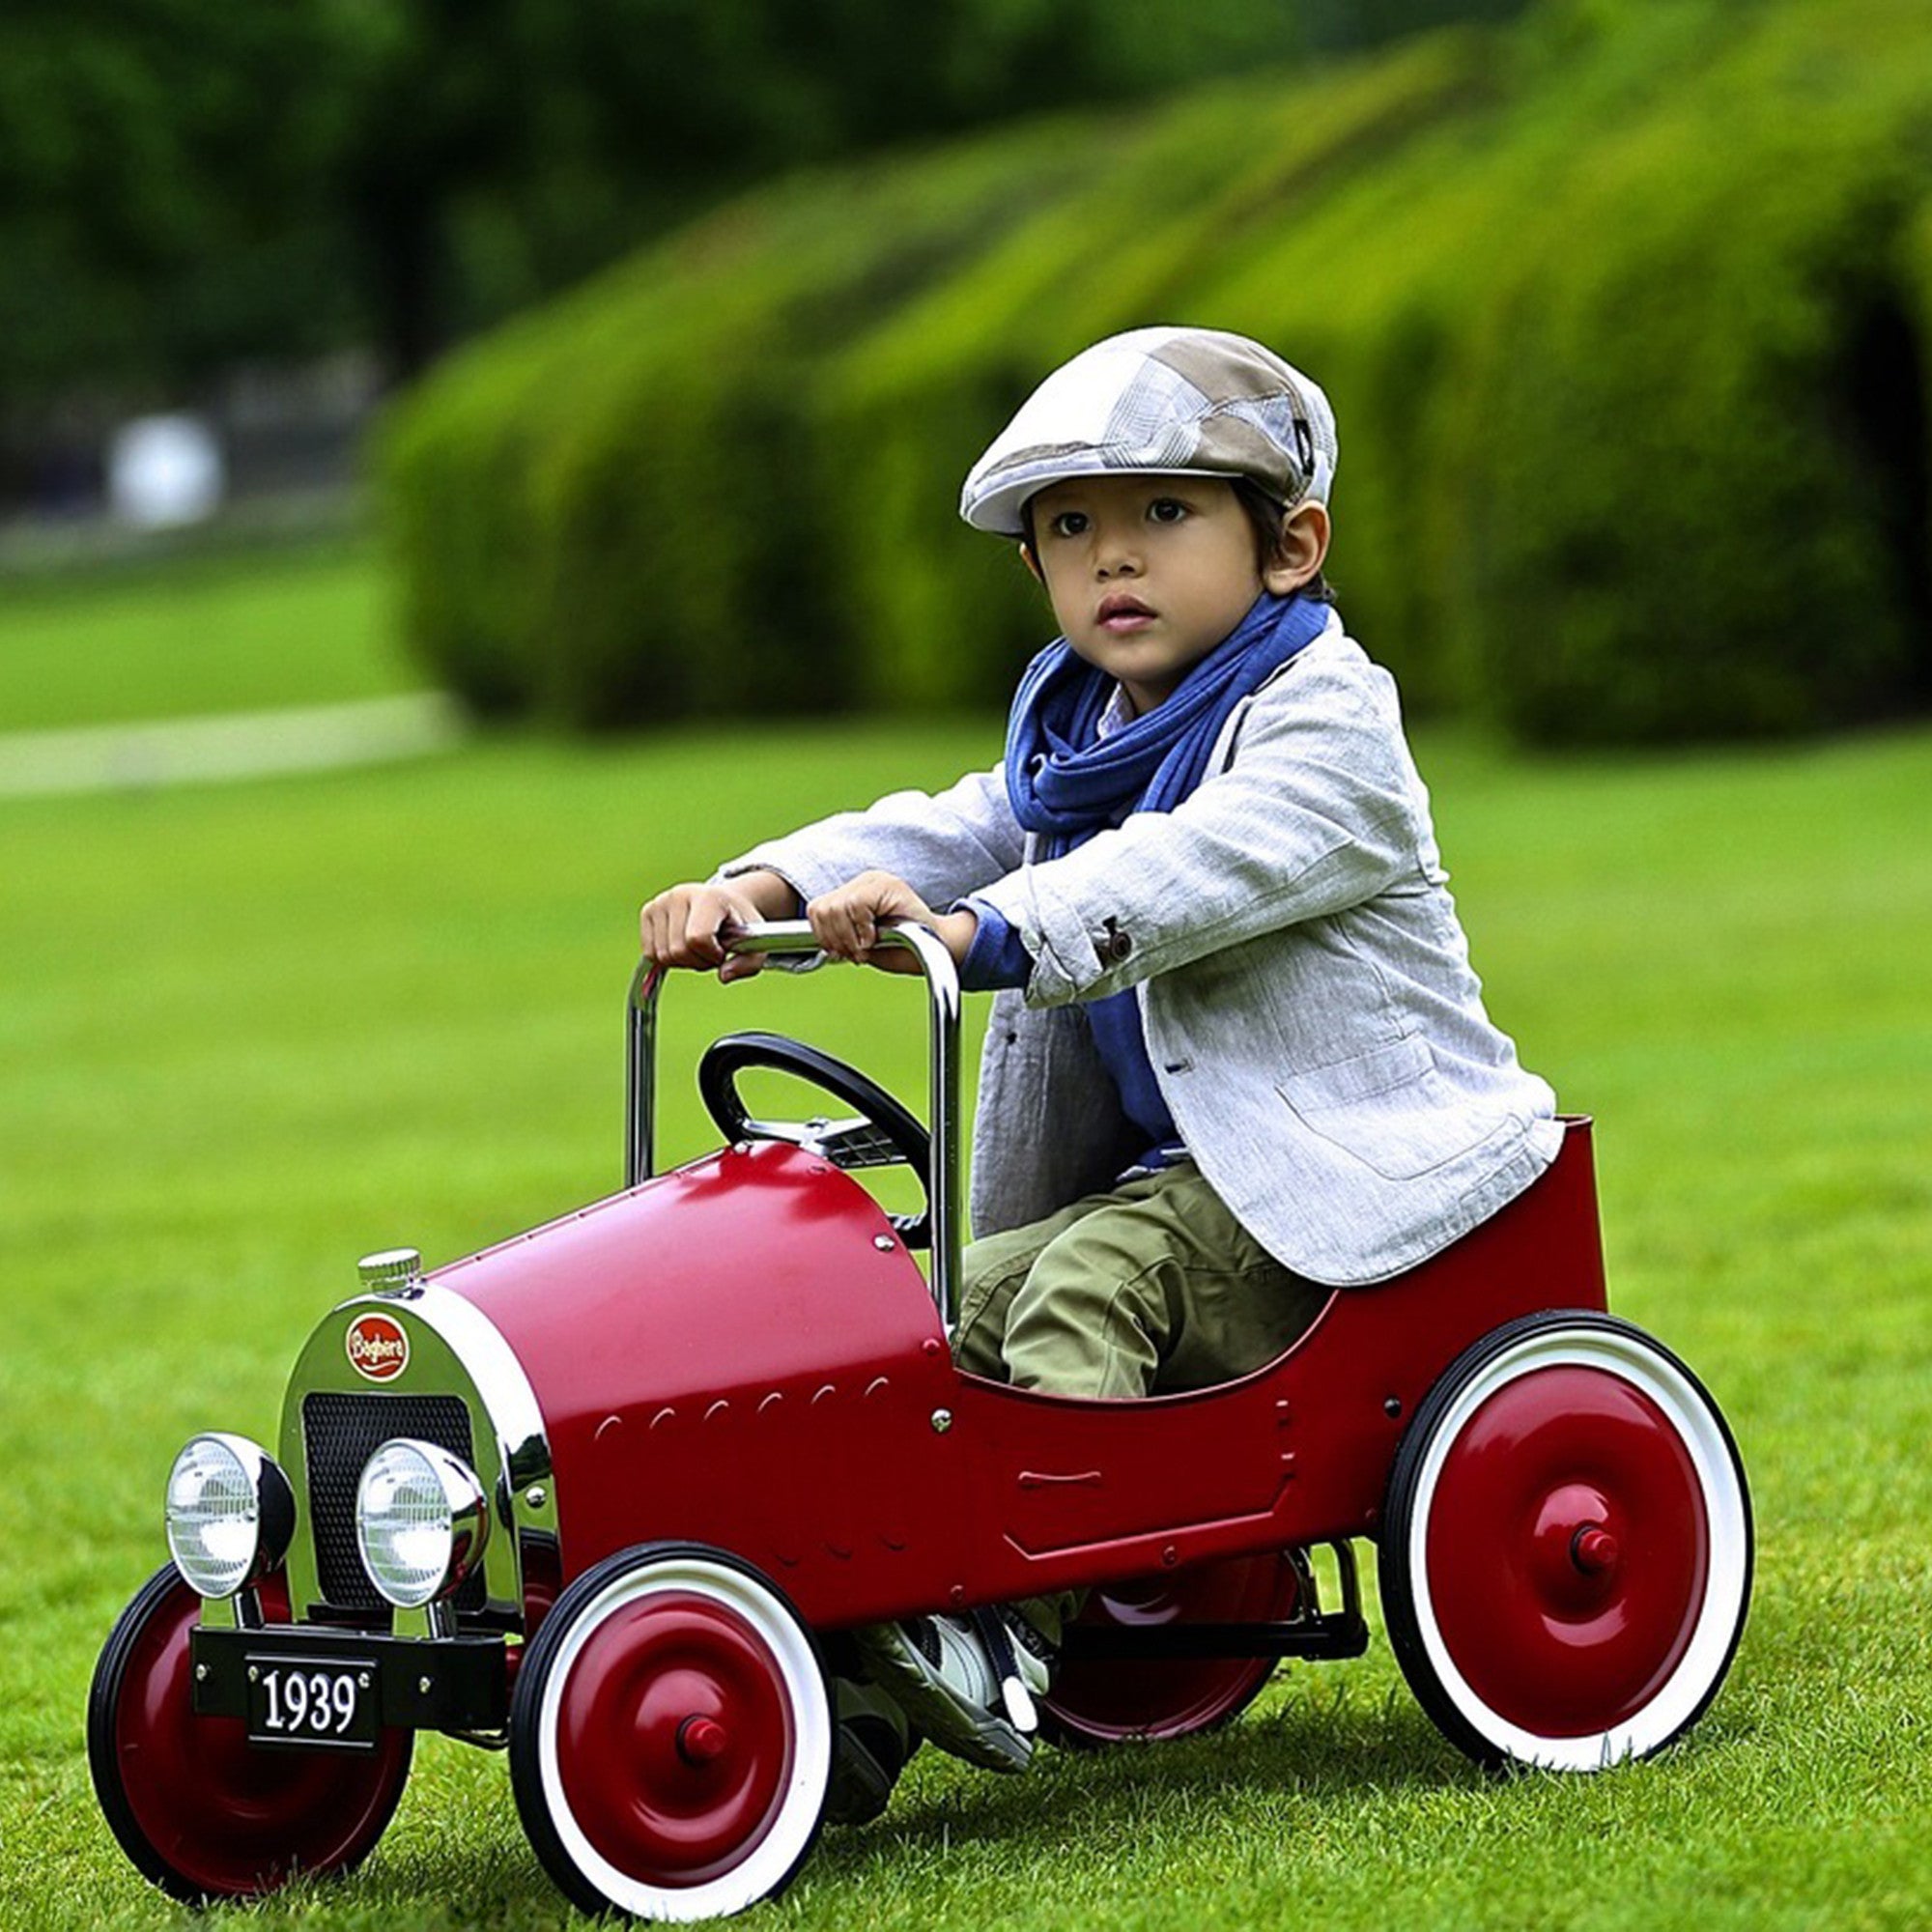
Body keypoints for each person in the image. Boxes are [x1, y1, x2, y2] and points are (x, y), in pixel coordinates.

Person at [639, 324, 1562, 1776]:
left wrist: (982, 933)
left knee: (1085, 1285)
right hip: (1159, 1184)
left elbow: (1182, 872)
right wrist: (759, 889)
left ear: (1291, 545)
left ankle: (1012, 1618)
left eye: (1166, 516)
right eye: (1073, 529)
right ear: (1035, 572)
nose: (1112, 559)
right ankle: (851, 1638)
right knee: (914, 1305)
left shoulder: (1326, 729)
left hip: (1327, 1185)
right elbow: (947, 826)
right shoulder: (1086, 738)